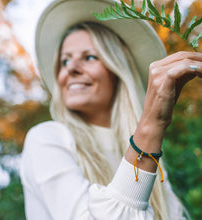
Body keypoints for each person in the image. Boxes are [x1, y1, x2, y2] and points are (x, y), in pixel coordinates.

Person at [20, 0, 202, 219]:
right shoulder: (47, 139)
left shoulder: (153, 160)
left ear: (117, 70)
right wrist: (151, 125)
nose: (72, 69)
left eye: (89, 57)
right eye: (65, 61)